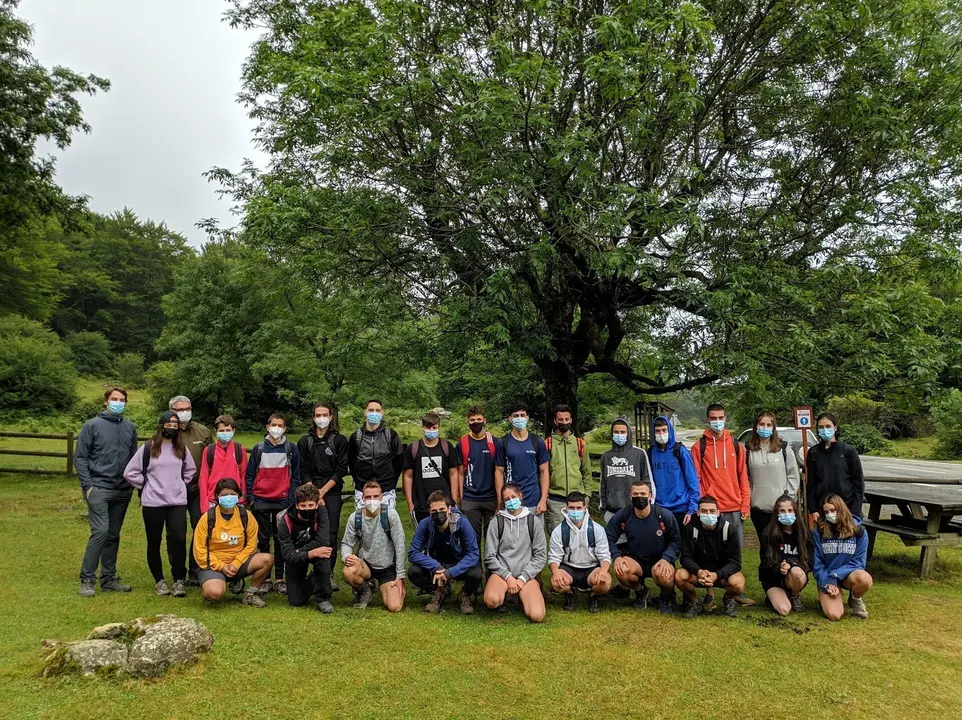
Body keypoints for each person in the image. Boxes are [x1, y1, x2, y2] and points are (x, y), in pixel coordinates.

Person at [123, 411, 196, 597]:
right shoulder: (149, 448)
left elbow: (190, 470)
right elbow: (130, 472)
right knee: (154, 541)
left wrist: (179, 484)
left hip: (176, 502)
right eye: (168, 425)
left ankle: (179, 579)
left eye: (175, 426)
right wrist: (146, 485)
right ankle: (159, 580)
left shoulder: (181, 449)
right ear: (161, 426)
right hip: (153, 503)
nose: (171, 429)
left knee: (179, 539)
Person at [75, 386, 139, 597]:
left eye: (122, 400)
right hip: (99, 488)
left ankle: (108, 578)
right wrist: (88, 485)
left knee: (113, 535)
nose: (118, 403)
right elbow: (80, 457)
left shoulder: (130, 427)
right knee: (101, 531)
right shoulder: (92, 426)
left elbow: (133, 459)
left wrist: (131, 484)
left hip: (122, 490)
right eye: (114, 399)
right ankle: (87, 579)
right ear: (105, 401)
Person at [690, 403, 753, 606]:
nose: (717, 421)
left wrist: (745, 504)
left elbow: (743, 476)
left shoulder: (736, 446)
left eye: (721, 417)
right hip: (710, 509)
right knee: (707, 552)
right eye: (713, 418)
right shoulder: (698, 447)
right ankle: (709, 594)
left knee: (733, 551)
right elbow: (696, 478)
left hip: (734, 506)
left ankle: (733, 592)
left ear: (726, 418)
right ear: (707, 419)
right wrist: (700, 505)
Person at [193, 478, 274, 607]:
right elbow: (199, 550)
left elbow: (251, 546)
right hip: (214, 565)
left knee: (267, 559)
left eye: (232, 494)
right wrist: (221, 566)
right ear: (217, 496)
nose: (228, 497)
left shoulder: (246, 516)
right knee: (214, 593)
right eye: (224, 495)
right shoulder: (207, 518)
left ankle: (250, 594)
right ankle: (210, 586)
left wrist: (236, 563)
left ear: (238, 495)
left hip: (238, 563)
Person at [245, 413, 301, 595]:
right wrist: (251, 498)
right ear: (267, 427)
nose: (276, 428)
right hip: (260, 500)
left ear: (284, 428)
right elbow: (250, 475)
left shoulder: (291, 448)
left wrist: (290, 499)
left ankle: (279, 579)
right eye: (273, 425)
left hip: (282, 501)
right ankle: (265, 579)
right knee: (263, 540)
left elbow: (296, 476)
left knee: (280, 539)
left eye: (280, 425)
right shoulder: (259, 448)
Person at [605, 480, 680, 614]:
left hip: (660, 559)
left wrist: (666, 558)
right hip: (635, 559)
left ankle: (666, 596)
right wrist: (617, 557)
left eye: (643, 494)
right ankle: (641, 591)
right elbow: (608, 538)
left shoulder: (664, 515)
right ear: (630, 496)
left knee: (665, 574)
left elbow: (676, 541)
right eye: (635, 494)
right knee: (622, 571)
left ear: (650, 496)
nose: (639, 497)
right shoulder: (624, 515)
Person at [297, 401, 349, 588]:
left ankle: (328, 572)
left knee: (331, 531)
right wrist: (313, 493)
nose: (321, 418)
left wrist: (323, 492)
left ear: (331, 417)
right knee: (308, 531)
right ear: (313, 417)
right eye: (318, 415)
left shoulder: (339, 441)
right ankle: (307, 570)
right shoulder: (305, 441)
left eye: (324, 415)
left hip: (331, 491)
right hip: (309, 492)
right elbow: (302, 469)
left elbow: (341, 469)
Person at [407, 490, 482, 614]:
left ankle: (464, 594)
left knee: (477, 574)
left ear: (449, 509)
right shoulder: (424, 524)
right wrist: (436, 567)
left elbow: (473, 553)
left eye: (442, 509)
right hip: (437, 565)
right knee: (413, 572)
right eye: (434, 511)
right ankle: (439, 590)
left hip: (458, 565)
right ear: (429, 511)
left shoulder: (462, 523)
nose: (438, 513)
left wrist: (450, 573)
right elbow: (412, 553)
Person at [483, 485, 547, 623]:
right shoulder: (496, 522)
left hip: (526, 576)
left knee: (537, 615)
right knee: (492, 600)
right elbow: (489, 556)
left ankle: (521, 597)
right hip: (502, 575)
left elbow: (540, 556)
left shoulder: (533, 521)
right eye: (507, 499)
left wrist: (523, 578)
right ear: (503, 502)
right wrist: (508, 577)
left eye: (513, 497)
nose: (511, 501)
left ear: (520, 496)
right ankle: (506, 596)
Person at [675, 496, 746, 618]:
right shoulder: (690, 528)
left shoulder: (729, 529)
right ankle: (694, 602)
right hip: (699, 574)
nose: (708, 514)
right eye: (704, 511)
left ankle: (729, 599)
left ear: (718, 512)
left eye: (712, 511)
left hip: (722, 575)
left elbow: (735, 562)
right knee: (679, 576)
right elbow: (685, 557)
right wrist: (699, 571)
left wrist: (717, 575)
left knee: (738, 583)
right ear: (698, 513)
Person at [340, 482, 407, 612]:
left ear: (381, 497)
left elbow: (400, 545)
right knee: (348, 571)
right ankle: (365, 589)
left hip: (387, 566)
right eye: (368, 497)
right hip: (365, 565)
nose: (372, 500)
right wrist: (346, 556)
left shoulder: (390, 514)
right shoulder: (355, 517)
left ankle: (383, 586)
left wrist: (400, 577)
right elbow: (346, 543)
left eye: (375, 496)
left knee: (395, 606)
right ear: (362, 498)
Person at [169, 395, 212, 586]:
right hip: (173, 490)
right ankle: (178, 573)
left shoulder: (203, 432)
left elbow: (211, 459)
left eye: (188, 409)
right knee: (176, 532)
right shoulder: (167, 431)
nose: (185, 412)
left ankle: (196, 570)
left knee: (200, 529)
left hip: (197, 489)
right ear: (172, 411)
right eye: (180, 410)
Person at [548, 491, 612, 613]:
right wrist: (555, 572)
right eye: (571, 508)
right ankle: (569, 594)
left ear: (585, 508)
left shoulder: (597, 529)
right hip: (568, 568)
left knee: (606, 582)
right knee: (556, 583)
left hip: (591, 569)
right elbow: (554, 557)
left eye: (578, 508)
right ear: (566, 508)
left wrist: (603, 571)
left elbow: (605, 555)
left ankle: (594, 596)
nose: (575, 511)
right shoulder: (559, 531)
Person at [813, 494, 872, 620]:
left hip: (847, 576)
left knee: (865, 579)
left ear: (841, 509)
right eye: (826, 512)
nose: (830, 514)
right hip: (827, 577)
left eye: (833, 510)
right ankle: (827, 596)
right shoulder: (819, 531)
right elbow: (817, 563)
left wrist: (835, 576)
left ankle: (855, 598)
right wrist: (827, 582)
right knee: (834, 615)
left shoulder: (859, 531)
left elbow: (858, 563)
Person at [277, 483, 334, 614]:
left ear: (316, 505)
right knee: (296, 601)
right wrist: (309, 553)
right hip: (297, 556)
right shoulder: (284, 521)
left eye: (310, 505)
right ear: (297, 505)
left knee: (323, 556)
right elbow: (288, 556)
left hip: (310, 552)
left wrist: (306, 552)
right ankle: (316, 577)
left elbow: (323, 541)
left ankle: (323, 598)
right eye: (303, 506)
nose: (307, 508)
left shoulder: (321, 512)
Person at [746, 411, 800, 538]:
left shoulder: (784, 449)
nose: (765, 427)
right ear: (756, 426)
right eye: (762, 424)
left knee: (782, 542)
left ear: (773, 427)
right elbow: (745, 478)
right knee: (765, 544)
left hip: (781, 509)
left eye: (768, 425)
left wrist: (788, 499)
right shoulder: (748, 450)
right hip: (758, 509)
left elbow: (793, 475)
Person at [455, 406, 500, 557]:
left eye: (479, 419)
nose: (476, 422)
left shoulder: (494, 442)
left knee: (492, 541)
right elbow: (460, 472)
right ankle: (475, 570)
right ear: (468, 422)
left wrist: (500, 498)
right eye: (472, 420)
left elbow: (500, 471)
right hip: (470, 499)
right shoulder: (462, 443)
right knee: (471, 540)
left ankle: (492, 569)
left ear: (484, 420)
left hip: (491, 499)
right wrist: (461, 496)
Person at [544, 404, 593, 537]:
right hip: (555, 500)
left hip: (578, 499)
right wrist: (545, 498)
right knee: (557, 537)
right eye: (560, 419)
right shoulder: (547, 444)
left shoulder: (580, 444)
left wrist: (587, 495)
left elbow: (586, 471)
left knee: (580, 536)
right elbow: (542, 473)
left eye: (567, 419)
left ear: (571, 420)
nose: (564, 422)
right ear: (555, 421)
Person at [494, 402, 549, 517]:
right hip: (511, 501)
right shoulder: (503, 442)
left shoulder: (537, 441)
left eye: (522, 415)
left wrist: (543, 500)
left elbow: (544, 471)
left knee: (534, 529)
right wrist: (500, 500)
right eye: (516, 416)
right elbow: (499, 472)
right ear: (510, 418)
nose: (519, 418)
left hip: (533, 500)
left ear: (527, 418)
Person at [807, 413, 865, 520]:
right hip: (823, 510)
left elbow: (858, 483)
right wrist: (813, 509)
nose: (825, 429)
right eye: (821, 427)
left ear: (835, 427)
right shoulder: (813, 453)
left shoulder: (848, 451)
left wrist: (855, 512)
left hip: (847, 508)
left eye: (828, 426)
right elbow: (811, 483)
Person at [403, 412, 459, 524]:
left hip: (444, 504)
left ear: (439, 427)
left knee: (446, 532)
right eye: (428, 427)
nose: (431, 430)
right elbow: (408, 476)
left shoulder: (447, 447)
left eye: (434, 427)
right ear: (423, 427)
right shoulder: (413, 448)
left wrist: (453, 500)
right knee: (423, 533)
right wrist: (410, 503)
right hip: (421, 504)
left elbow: (453, 473)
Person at [758, 495, 809, 616]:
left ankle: (794, 595)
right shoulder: (768, 533)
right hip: (773, 578)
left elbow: (810, 561)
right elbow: (766, 563)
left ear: (795, 512)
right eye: (782, 511)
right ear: (776, 513)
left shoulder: (804, 533)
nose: (787, 514)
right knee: (784, 610)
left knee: (796, 572)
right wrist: (780, 569)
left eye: (790, 510)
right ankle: (774, 596)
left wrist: (791, 565)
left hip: (796, 575)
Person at [347, 399, 404, 509]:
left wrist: (391, 483)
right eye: (371, 410)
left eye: (377, 410)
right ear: (365, 412)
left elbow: (399, 461)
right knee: (363, 520)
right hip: (363, 491)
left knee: (387, 519)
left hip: (386, 490)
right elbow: (352, 462)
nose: (374, 413)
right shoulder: (356, 437)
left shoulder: (391, 435)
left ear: (382, 412)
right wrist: (359, 482)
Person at [646, 415, 699, 529]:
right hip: (660, 509)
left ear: (669, 430)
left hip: (682, 508)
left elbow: (693, 481)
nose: (661, 434)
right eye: (657, 431)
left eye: (664, 430)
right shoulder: (650, 453)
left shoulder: (680, 451)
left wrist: (692, 509)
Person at [198, 414, 248, 509]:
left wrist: (243, 497)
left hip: (235, 498)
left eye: (228, 430)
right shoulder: (209, 450)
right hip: (213, 499)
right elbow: (203, 478)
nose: (225, 433)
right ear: (216, 431)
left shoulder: (239, 449)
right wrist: (204, 504)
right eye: (221, 430)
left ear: (233, 431)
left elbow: (244, 475)